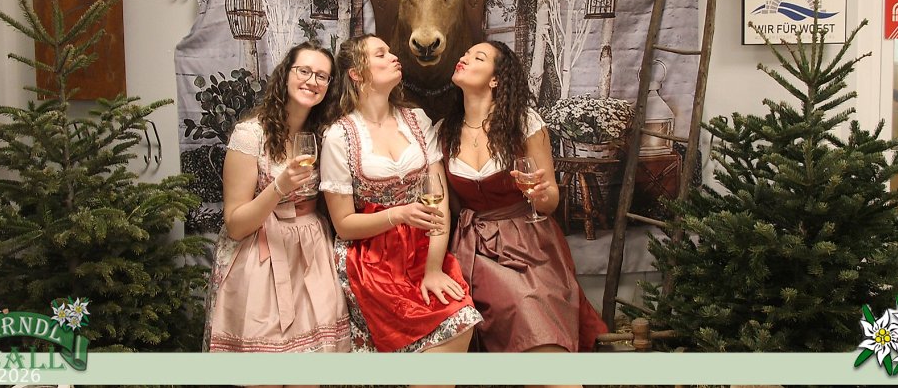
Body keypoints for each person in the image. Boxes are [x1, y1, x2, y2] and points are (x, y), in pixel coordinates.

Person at [439, 40, 609, 356]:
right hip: (471, 246)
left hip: (527, 243)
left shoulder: (524, 122)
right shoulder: (443, 132)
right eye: (465, 54)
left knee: (531, 308)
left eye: (478, 57)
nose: (464, 58)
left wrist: (539, 193)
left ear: (495, 79)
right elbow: (449, 206)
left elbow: (550, 201)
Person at [320, 34, 481, 358]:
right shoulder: (340, 136)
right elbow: (344, 225)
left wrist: (433, 268)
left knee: (461, 319)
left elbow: (438, 200)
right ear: (356, 73)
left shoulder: (416, 120)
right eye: (380, 54)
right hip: (372, 259)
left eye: (390, 52)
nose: (394, 57)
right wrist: (398, 215)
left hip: (424, 249)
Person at [203, 42, 350, 354]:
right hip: (259, 255)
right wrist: (279, 187)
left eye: (322, 76)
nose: (312, 81)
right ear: (285, 75)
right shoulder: (250, 135)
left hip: (312, 253)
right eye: (304, 71)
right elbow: (235, 225)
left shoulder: (326, 134)